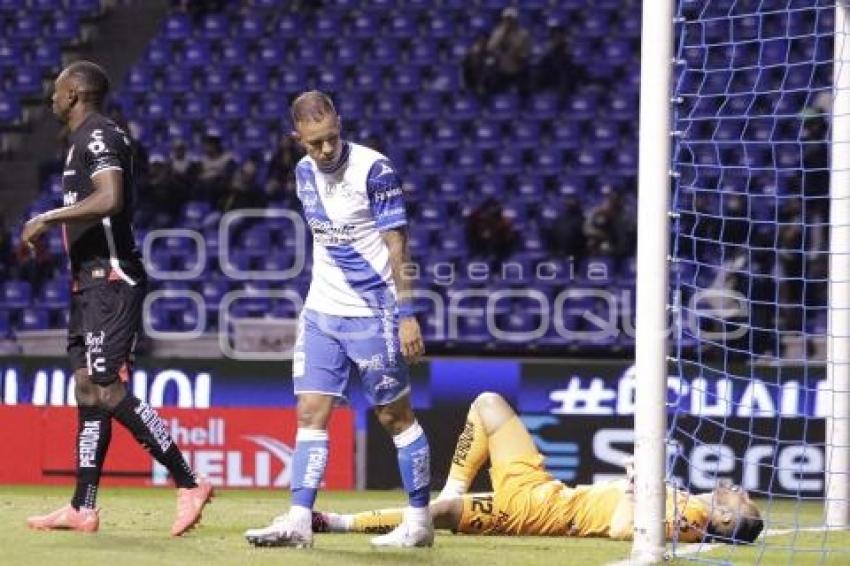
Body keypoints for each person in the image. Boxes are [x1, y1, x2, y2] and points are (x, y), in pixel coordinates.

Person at [21, 61, 212, 535]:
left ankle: (189, 481)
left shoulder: (98, 135)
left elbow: (110, 198)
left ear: (75, 94)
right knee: (87, 388)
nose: (51, 97)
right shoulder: (80, 142)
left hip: (111, 278)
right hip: (87, 282)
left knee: (107, 387)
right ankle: (82, 507)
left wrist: (49, 217)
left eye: (57, 89)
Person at [244, 91, 433, 549]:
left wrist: (407, 315)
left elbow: (398, 248)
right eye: (314, 143)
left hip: (372, 313)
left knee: (394, 416)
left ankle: (420, 521)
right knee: (310, 413)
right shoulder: (303, 173)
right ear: (297, 139)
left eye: (331, 139)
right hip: (322, 311)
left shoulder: (375, 169)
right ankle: (298, 521)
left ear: (340, 123)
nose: (325, 150)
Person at [312, 392, 764, 544]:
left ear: (726, 518)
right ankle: (336, 522)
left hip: (541, 509)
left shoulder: (695, 519)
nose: (737, 488)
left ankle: (339, 521)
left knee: (488, 407)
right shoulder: (690, 509)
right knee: (442, 511)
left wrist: (637, 484)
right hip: (546, 497)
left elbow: (626, 530)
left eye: (743, 500)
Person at [486, 7, 532, 93]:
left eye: (511, 19)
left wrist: (517, 52)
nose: (509, 22)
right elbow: (490, 49)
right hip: (501, 69)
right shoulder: (497, 32)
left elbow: (526, 53)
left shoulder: (523, 34)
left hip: (517, 69)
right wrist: (502, 36)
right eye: (506, 19)